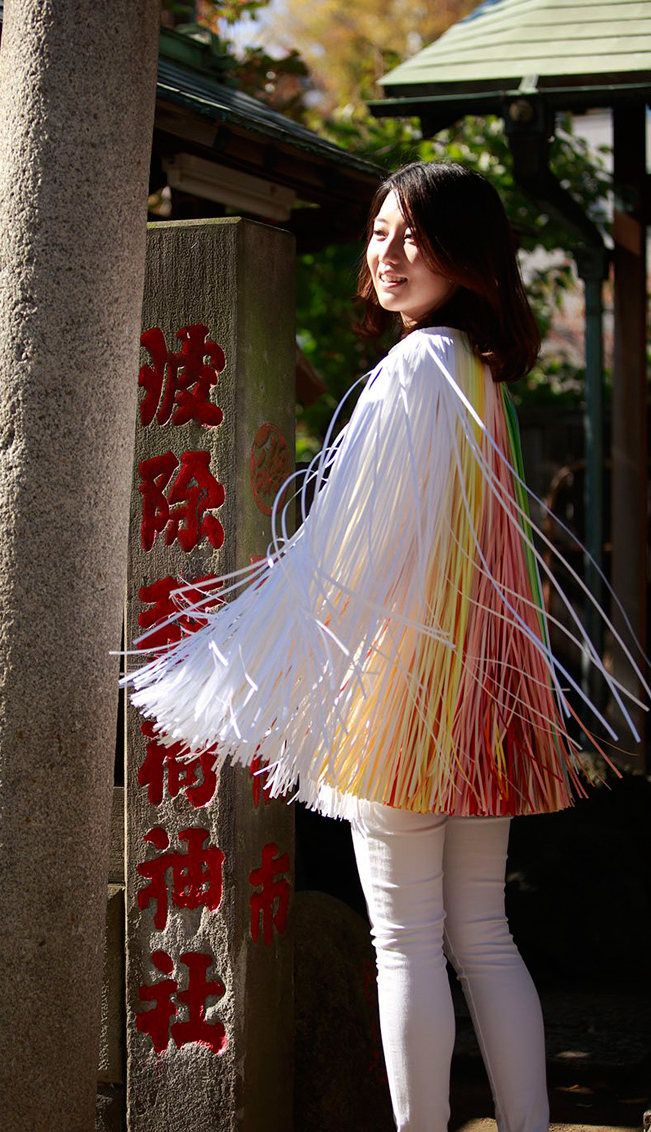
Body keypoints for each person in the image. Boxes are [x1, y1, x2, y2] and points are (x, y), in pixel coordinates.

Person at [124, 161, 644, 1132]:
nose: (388, 254)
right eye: (379, 232)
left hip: (404, 700)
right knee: (483, 934)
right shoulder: (479, 372)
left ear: (467, 253)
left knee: (406, 941)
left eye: (414, 235)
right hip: (483, 693)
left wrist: (247, 657)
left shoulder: (415, 367)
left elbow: (348, 559)